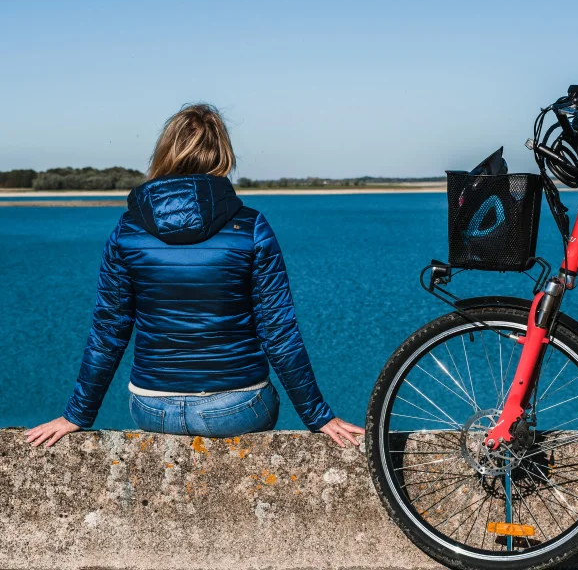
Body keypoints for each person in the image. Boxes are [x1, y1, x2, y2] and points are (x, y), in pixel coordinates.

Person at [26, 104, 364, 449]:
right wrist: (318, 415)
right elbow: (278, 329)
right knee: (265, 395)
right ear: (223, 155)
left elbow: (108, 330)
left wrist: (76, 415)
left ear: (165, 152)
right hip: (236, 409)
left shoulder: (128, 230)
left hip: (151, 408)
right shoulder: (250, 226)